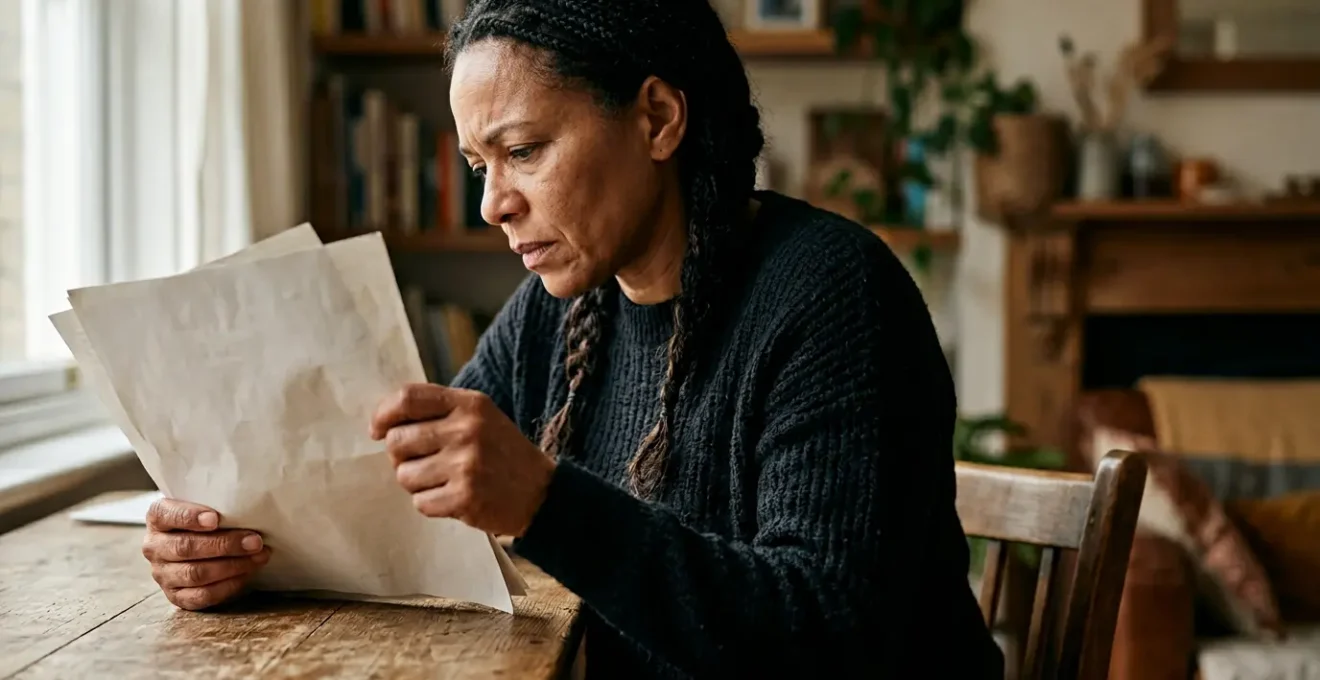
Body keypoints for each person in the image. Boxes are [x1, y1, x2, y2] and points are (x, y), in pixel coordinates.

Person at [139, 0, 1004, 676]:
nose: (493, 204)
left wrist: (546, 505)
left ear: (657, 118)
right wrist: (241, 549)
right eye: (479, 166)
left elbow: (829, 636)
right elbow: (406, 509)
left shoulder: (834, 293)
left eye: (523, 150)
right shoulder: (557, 312)